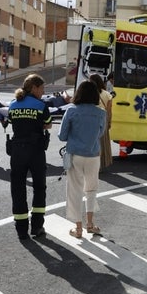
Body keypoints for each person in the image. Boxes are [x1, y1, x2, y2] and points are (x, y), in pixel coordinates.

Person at [58, 80, 106, 238]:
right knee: (91, 189)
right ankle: (90, 224)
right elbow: (100, 134)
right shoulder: (101, 113)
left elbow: (62, 135)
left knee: (75, 191)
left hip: (75, 154)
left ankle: (78, 229)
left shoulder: (71, 111)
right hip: (93, 155)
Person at [8, 74, 52, 240]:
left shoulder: (13, 105)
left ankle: (21, 230)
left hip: (17, 151)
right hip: (35, 151)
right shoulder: (40, 105)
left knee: (18, 189)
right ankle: (37, 226)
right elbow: (47, 123)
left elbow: (12, 122)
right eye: (42, 88)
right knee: (39, 187)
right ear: (34, 88)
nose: (43, 92)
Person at [89, 74, 113, 171]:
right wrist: (109, 122)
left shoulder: (88, 93)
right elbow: (109, 111)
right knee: (103, 143)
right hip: (103, 119)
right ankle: (101, 163)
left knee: (92, 143)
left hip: (91, 120)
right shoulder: (107, 94)